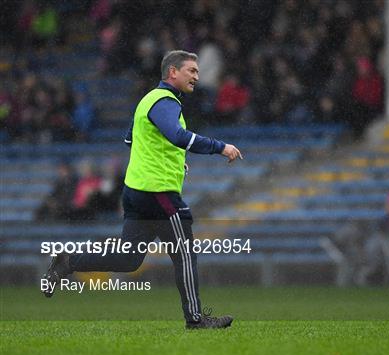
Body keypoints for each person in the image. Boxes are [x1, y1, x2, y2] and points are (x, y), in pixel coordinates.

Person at [42, 50, 243, 330]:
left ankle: (66, 261)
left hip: (138, 192)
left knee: (128, 259)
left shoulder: (148, 100)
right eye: (192, 71)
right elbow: (177, 136)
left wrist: (170, 158)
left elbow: (130, 139)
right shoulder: (165, 101)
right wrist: (221, 147)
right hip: (157, 191)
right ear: (173, 72)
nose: (197, 76)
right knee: (184, 253)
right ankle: (195, 319)